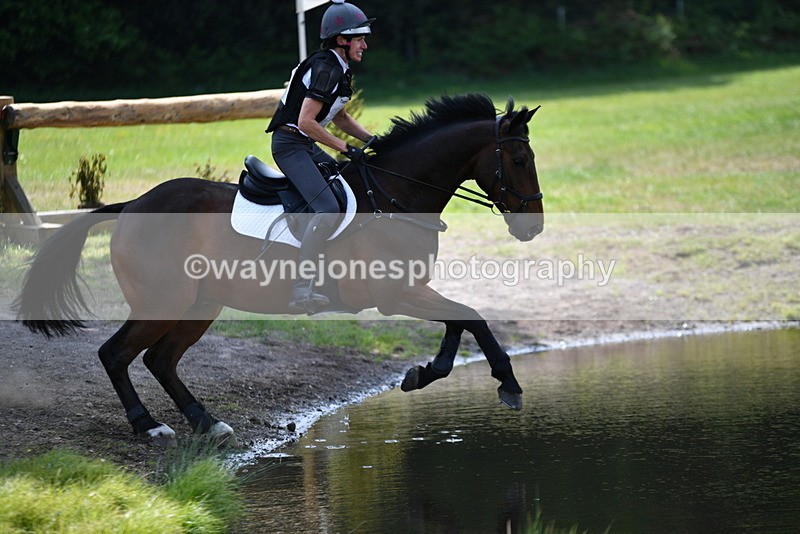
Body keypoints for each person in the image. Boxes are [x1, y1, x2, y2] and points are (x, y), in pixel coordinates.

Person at [266, 0, 375, 313]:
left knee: (347, 187)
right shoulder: (327, 67)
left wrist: (373, 140)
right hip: (290, 145)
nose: (365, 45)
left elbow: (339, 117)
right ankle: (301, 286)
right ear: (342, 39)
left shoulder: (337, 66)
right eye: (360, 39)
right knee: (328, 209)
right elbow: (306, 123)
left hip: (303, 144)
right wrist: (346, 149)